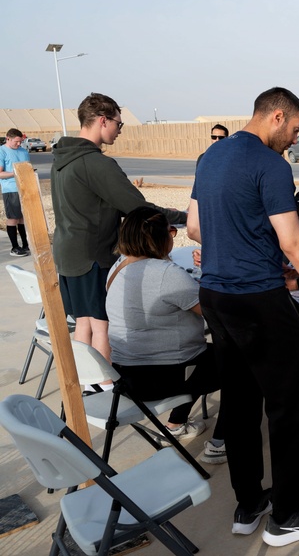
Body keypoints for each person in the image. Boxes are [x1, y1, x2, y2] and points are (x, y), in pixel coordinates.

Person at [188, 87, 299, 547]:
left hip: (217, 298)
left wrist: (244, 248)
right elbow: (294, 242)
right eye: (296, 129)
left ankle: (249, 504)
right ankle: (287, 513)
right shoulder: (270, 165)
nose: (294, 139)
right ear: (277, 116)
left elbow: (195, 228)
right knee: (288, 408)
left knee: (240, 405)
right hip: (258, 301)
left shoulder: (211, 156)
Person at [52, 93, 187, 365]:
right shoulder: (95, 163)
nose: (119, 131)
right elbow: (137, 209)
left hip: (68, 253)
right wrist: (183, 216)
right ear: (103, 120)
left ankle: (86, 386)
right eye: (118, 124)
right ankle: (106, 387)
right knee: (102, 325)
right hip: (94, 257)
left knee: (84, 322)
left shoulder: (61, 159)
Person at [105, 207, 226, 462]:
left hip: (127, 374)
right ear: (161, 236)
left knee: (200, 356)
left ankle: (176, 424)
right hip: (161, 376)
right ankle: (222, 441)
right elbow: (216, 311)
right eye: (172, 231)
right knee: (241, 363)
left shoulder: (117, 267)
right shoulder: (166, 274)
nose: (173, 237)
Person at [0, 128, 32, 256]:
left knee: (23, 218)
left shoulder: (23, 151)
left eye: (20, 141)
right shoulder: (2, 151)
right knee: (13, 218)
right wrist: (15, 174)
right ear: (8, 138)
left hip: (25, 188)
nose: (19, 144)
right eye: (16, 142)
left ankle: (25, 245)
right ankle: (14, 247)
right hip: (11, 189)